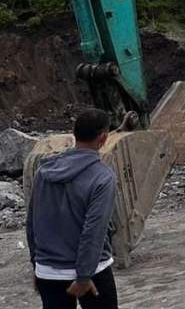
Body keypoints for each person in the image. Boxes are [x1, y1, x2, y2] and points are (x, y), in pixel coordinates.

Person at [27, 108, 118, 309]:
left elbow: (33, 221)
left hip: (48, 271)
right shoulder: (102, 177)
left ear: (74, 134)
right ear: (103, 138)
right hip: (92, 273)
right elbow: (93, 231)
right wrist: (84, 277)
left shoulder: (44, 171)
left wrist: (37, 264)